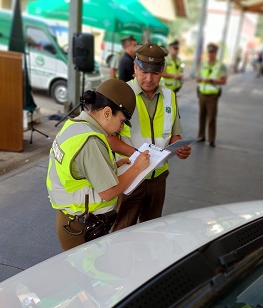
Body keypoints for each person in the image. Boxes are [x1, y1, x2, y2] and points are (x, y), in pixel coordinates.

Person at [46, 79, 150, 251]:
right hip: (81, 227)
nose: (121, 128)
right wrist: (137, 168)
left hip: (72, 219)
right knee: (87, 274)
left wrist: (113, 166)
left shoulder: (76, 125)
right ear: (107, 112)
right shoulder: (91, 141)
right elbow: (108, 192)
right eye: (122, 121)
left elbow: (79, 170)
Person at [107, 43, 192, 231]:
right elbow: (108, 138)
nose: (148, 78)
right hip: (130, 176)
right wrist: (138, 155)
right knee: (122, 231)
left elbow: (173, 134)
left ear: (162, 71)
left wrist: (180, 147)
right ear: (135, 67)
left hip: (158, 179)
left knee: (152, 231)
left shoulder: (170, 97)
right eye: (144, 71)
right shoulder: (121, 94)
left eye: (154, 73)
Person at [195, 42, 227, 147]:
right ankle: (201, 136)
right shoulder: (203, 64)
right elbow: (197, 77)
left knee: (212, 117)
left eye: (212, 52)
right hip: (202, 94)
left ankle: (211, 139)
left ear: (216, 53)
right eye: (209, 52)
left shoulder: (221, 66)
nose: (210, 54)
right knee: (202, 116)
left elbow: (223, 81)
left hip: (212, 96)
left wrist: (212, 80)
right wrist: (199, 79)